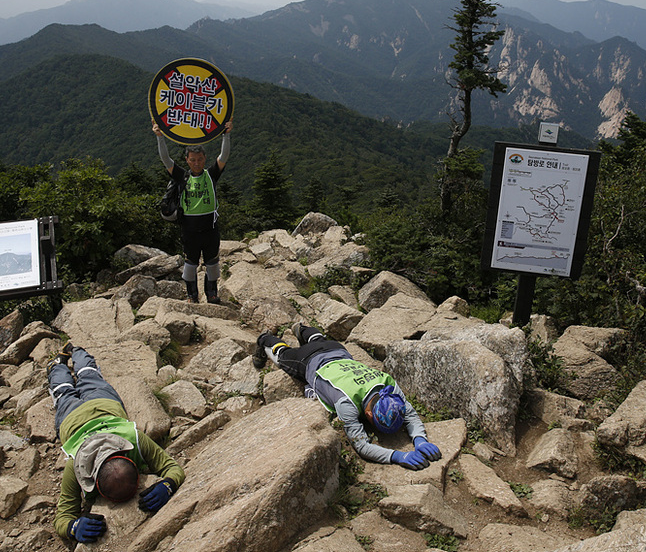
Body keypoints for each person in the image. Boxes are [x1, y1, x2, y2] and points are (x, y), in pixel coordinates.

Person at [252, 324, 442, 470]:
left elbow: (408, 413)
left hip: (336, 349)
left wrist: (420, 439)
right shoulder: (347, 403)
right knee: (282, 354)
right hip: (309, 360)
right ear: (368, 416)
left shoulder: (388, 386)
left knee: (318, 339)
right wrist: (397, 456)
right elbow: (362, 446)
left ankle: (302, 329)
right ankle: (264, 339)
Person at [47, 344, 186, 543]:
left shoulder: (79, 462)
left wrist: (72, 526)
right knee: (79, 383)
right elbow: (171, 468)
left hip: (98, 407)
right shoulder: (131, 439)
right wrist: (168, 483)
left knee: (72, 386)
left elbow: (64, 515)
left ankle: (63, 360)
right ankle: (74, 353)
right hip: (80, 415)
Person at [153, 120, 233, 304]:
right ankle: (192, 296)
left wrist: (226, 134)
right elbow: (166, 160)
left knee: (212, 263)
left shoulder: (211, 174)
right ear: (187, 160)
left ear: (204, 159)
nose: (196, 163)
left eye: (200, 159)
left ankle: (211, 294)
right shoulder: (182, 176)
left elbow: (224, 155)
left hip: (210, 228)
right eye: (192, 160)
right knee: (190, 265)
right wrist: (160, 138)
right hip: (189, 229)